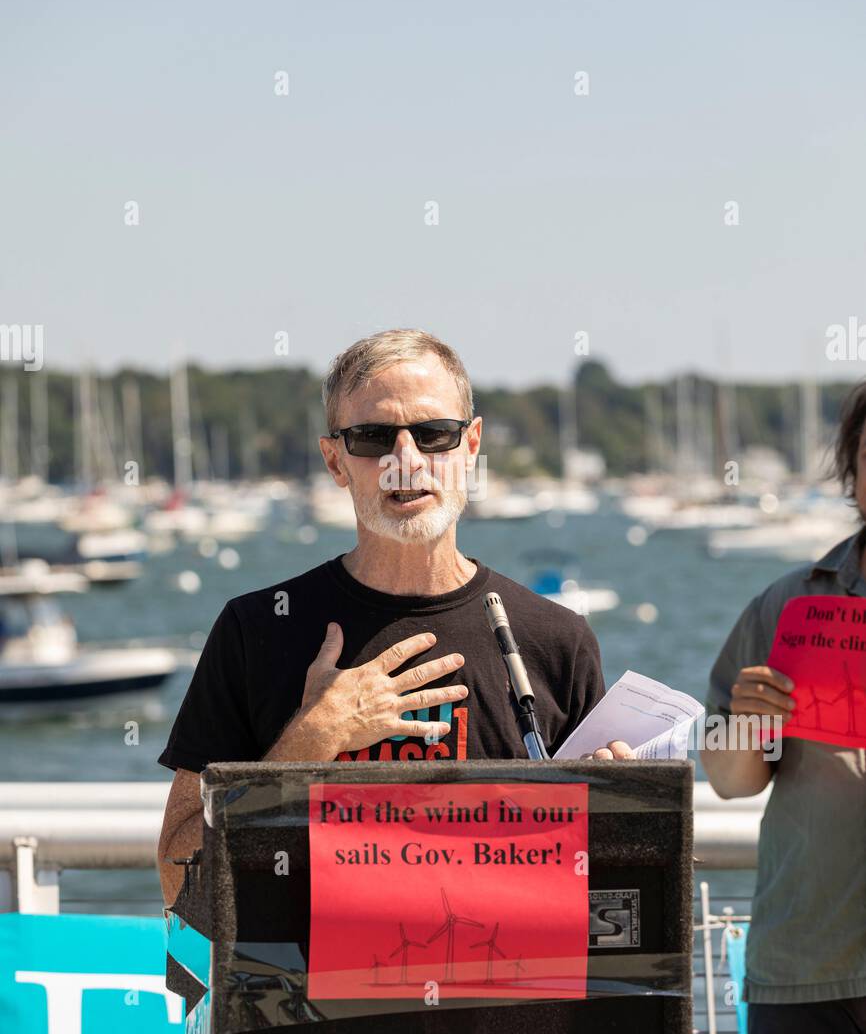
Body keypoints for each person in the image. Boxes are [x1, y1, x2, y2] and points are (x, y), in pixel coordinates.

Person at [157, 328, 633, 906]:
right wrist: (314, 737)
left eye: (434, 434)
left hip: (501, 991)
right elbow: (180, 879)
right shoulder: (257, 630)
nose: (405, 461)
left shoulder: (557, 640)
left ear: (471, 445)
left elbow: (608, 902)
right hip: (309, 995)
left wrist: (620, 813)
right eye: (373, 437)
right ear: (336, 460)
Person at [701, 380, 866, 1034]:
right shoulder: (786, 604)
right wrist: (748, 719)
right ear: (851, 472)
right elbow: (731, 780)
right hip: (806, 973)